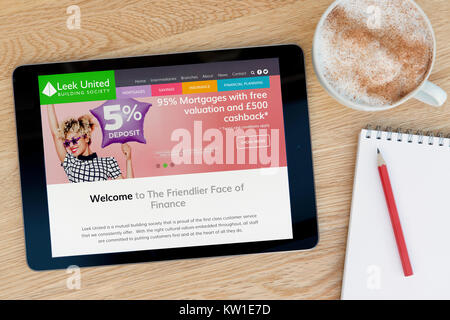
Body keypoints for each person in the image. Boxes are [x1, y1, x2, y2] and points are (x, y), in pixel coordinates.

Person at [47, 104, 134, 183]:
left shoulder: (108, 162)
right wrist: (49, 99)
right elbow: (55, 134)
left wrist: (128, 159)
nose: (71, 146)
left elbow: (127, 189)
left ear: (86, 138)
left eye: (74, 141)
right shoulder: (70, 162)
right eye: (67, 143)